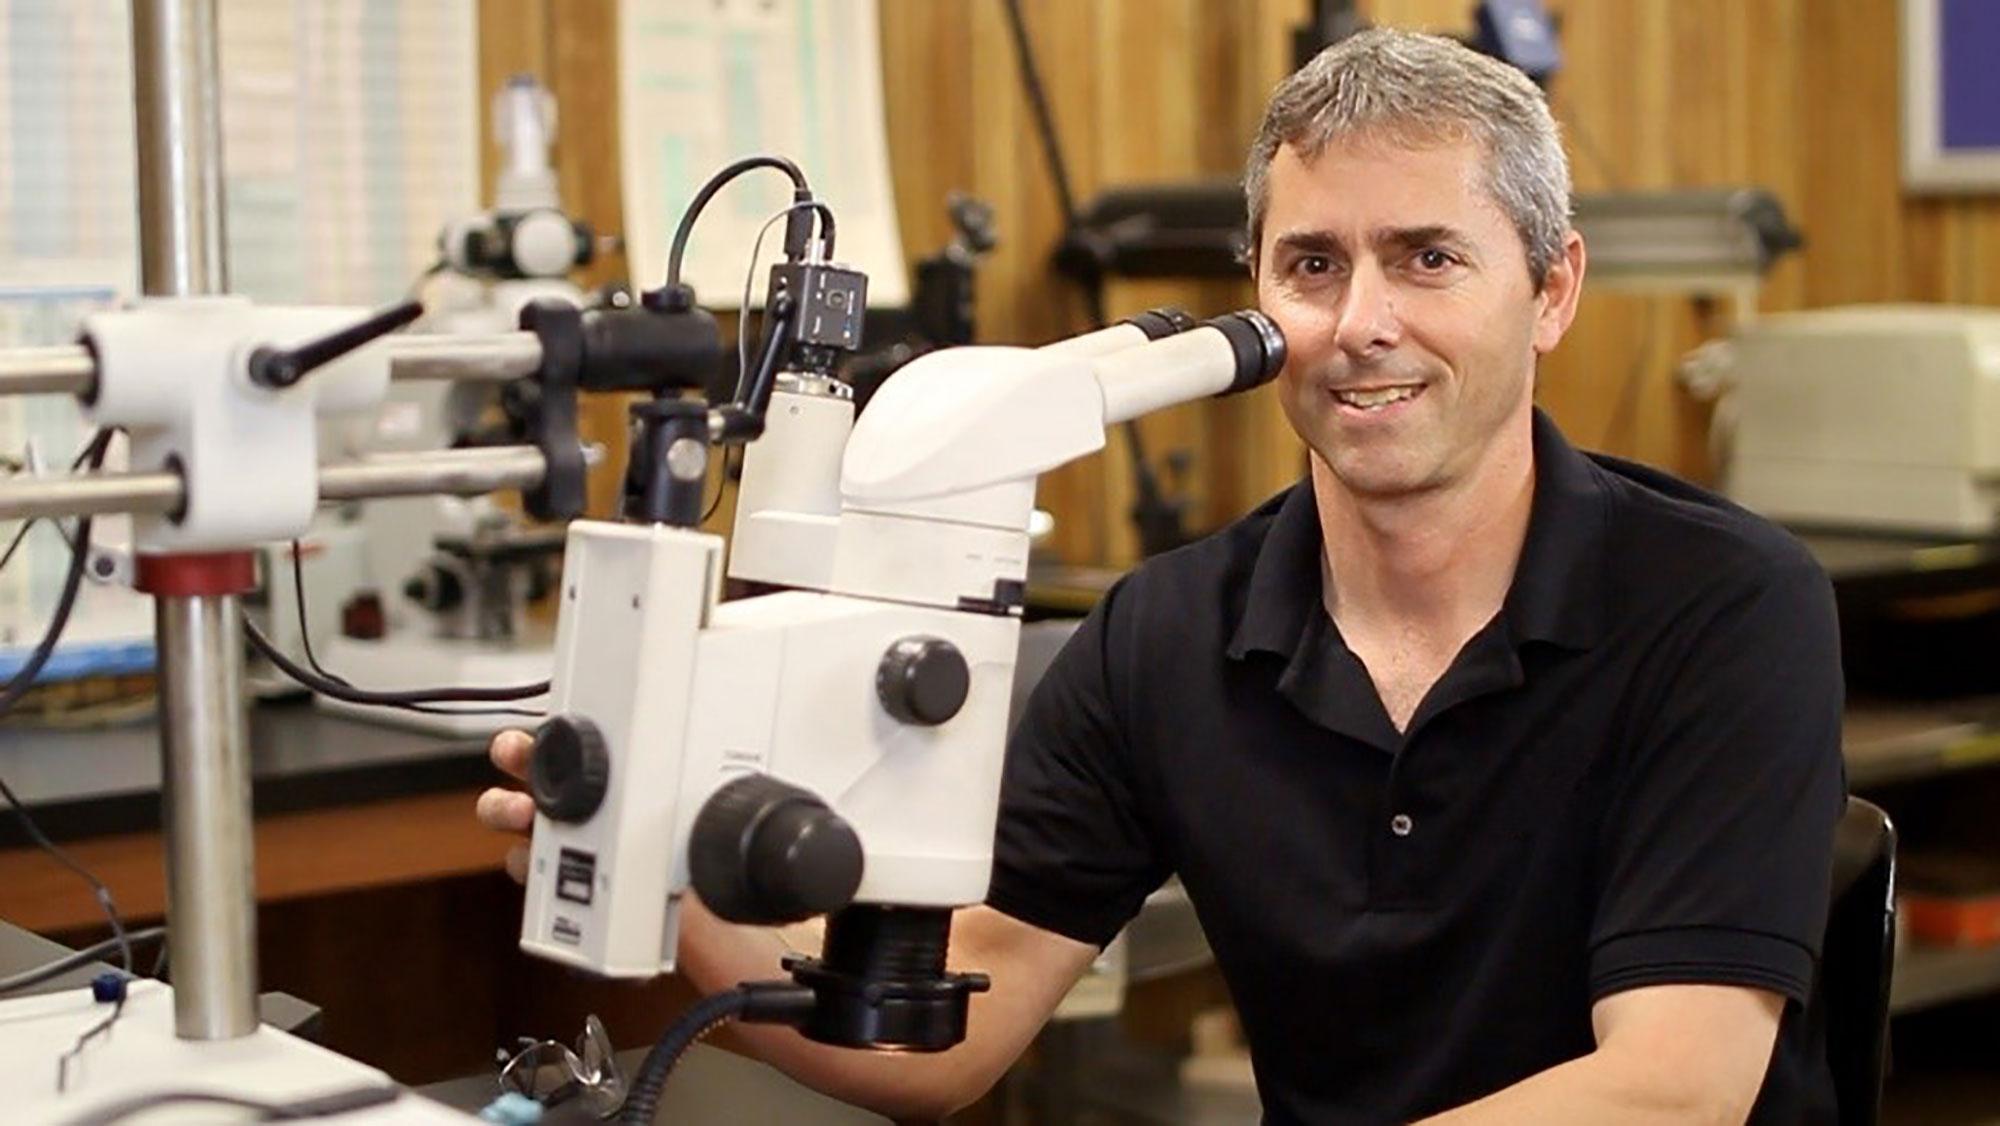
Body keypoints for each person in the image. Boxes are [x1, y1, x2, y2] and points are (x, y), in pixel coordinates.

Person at [478, 28, 1845, 1124]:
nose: (1362, 323)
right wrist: (652, 863)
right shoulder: (1170, 635)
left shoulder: (1722, 605)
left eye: (1428, 259)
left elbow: (1671, 1085)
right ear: (1256, 294)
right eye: (1313, 264)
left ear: (1551, 290)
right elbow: (958, 1024)